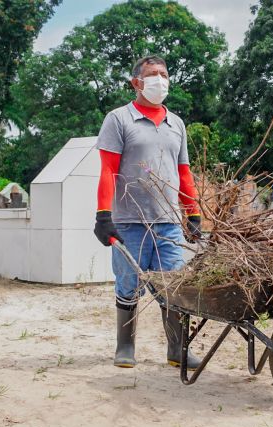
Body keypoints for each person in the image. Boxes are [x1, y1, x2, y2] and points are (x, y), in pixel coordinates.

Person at [93, 55, 202, 369]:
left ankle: (177, 349)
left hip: (168, 223)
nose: (160, 80)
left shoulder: (176, 124)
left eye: (164, 74)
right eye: (152, 75)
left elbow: (184, 172)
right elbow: (107, 171)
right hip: (129, 222)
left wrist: (192, 213)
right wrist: (103, 215)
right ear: (136, 83)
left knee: (174, 286)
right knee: (128, 284)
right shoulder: (119, 119)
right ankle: (125, 347)